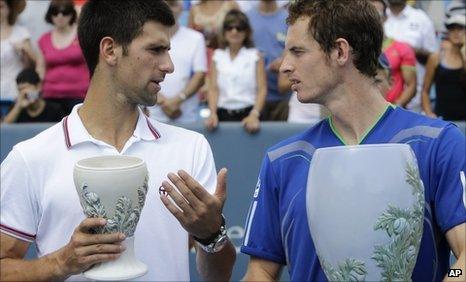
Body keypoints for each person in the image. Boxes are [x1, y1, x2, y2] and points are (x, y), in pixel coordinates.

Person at [0, 1, 235, 281]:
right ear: (110, 50)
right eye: (156, 49)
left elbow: (217, 277)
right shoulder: (30, 158)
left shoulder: (191, 147)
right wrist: (60, 263)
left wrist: (211, 235)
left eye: (168, 50)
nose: (169, 65)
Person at [241, 1, 465, 281]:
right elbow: (260, 270)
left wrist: (451, 275)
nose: (284, 66)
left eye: (297, 51)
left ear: (340, 51)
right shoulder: (281, 160)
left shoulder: (439, 143)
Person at [204, 9, 266, 134]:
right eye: (229, 27)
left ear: (246, 31)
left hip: (249, 115)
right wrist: (212, 113)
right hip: (221, 116)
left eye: (239, 27)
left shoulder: (255, 56)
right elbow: (213, 88)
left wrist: (254, 114)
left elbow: (262, 89)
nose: (234, 31)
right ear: (224, 31)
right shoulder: (217, 56)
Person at [148, 0, 207, 123]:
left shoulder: (196, 38)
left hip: (185, 116)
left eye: (173, 4)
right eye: (167, 4)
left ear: (181, 8)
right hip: (153, 114)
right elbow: (140, 69)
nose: (170, 9)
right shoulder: (146, 37)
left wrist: (178, 100)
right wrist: (161, 101)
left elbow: (200, 75)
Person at [36, 0, 90, 116]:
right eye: (55, 12)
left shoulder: (82, 36)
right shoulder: (44, 39)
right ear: (50, 15)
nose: (60, 16)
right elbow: (40, 70)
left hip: (79, 95)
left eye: (65, 12)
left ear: (72, 14)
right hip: (50, 96)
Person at [384, 0, 437, 113]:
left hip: (415, 100)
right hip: (382, 100)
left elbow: (433, 57)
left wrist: (412, 51)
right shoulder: (379, 16)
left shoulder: (420, 18)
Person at [247, 0, 290, 121]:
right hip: (254, 98)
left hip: (283, 97)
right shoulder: (247, 18)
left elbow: (297, 49)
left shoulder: (289, 19)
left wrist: (284, 61)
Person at [370, 0, 417, 107]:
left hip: (393, 110)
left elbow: (411, 86)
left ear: (386, 18)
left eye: (377, 14)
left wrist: (394, 109)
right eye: (368, 14)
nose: (372, 19)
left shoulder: (403, 48)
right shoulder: (354, 49)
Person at [421, 14, 466, 121]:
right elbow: (425, 91)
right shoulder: (436, 57)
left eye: (460, 28)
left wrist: (464, 54)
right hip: (442, 120)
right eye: (452, 29)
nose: (456, 32)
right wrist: (429, 113)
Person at [0, 0, 36, 118]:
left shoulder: (20, 32)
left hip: (15, 92)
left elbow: (31, 66)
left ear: (9, 9)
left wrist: (24, 52)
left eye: (1, 6)